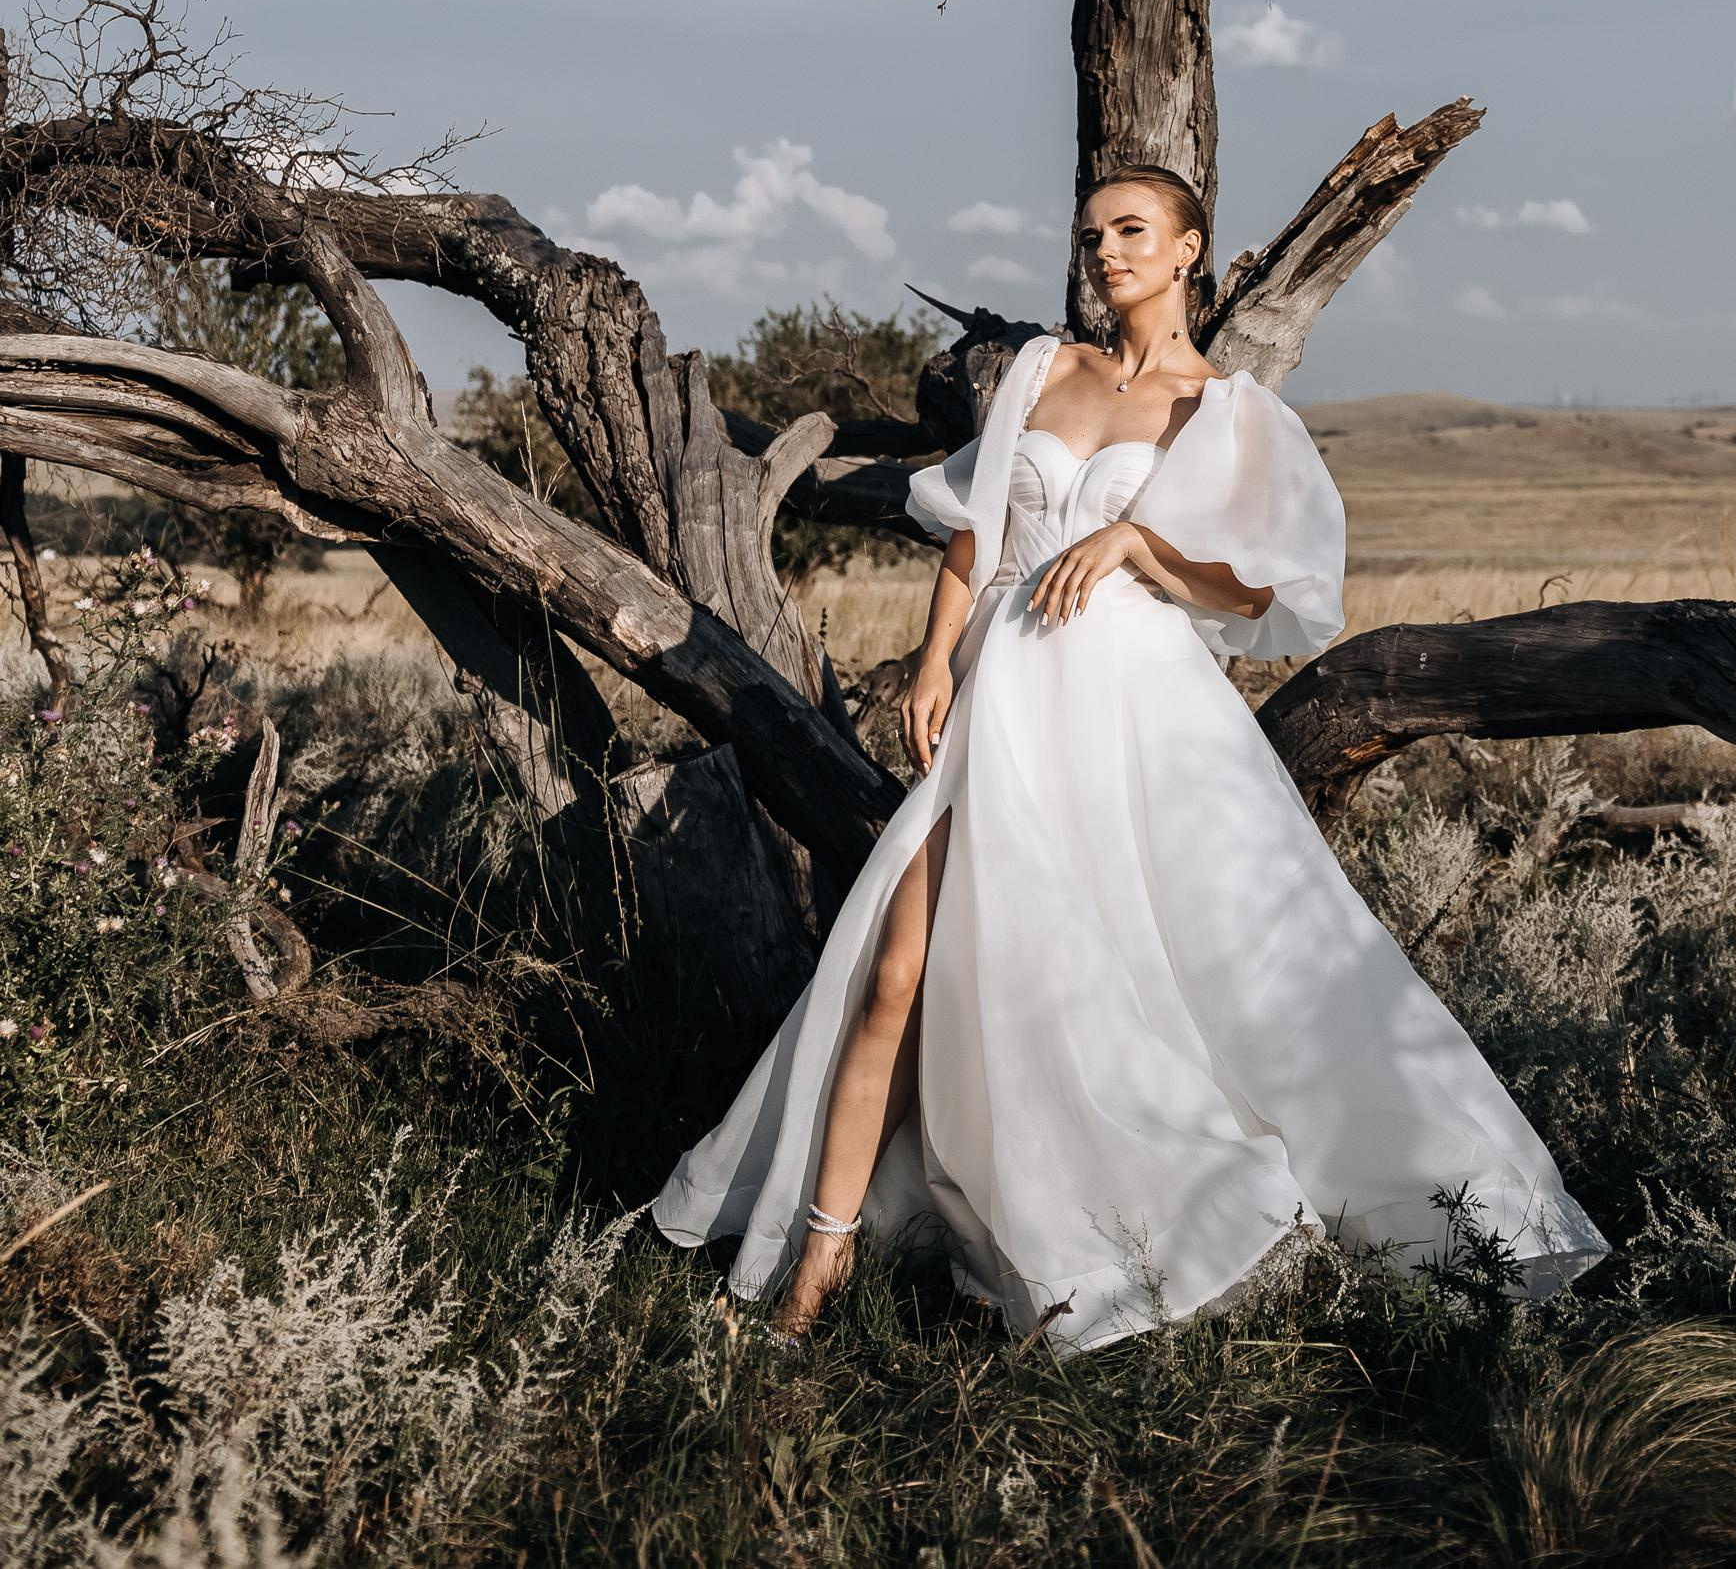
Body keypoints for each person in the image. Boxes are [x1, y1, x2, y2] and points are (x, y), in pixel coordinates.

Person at [652, 167, 1606, 1351]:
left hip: (1131, 713)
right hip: (1002, 698)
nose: (1105, 250)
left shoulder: (1223, 407)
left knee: (1156, 974)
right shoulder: (1040, 370)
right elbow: (973, 537)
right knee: (894, 969)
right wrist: (936, 659)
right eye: (1092, 232)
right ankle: (815, 1265)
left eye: (1131, 230)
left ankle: (1164, 1220)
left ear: (1187, 248)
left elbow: (1254, 590)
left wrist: (1135, 542)